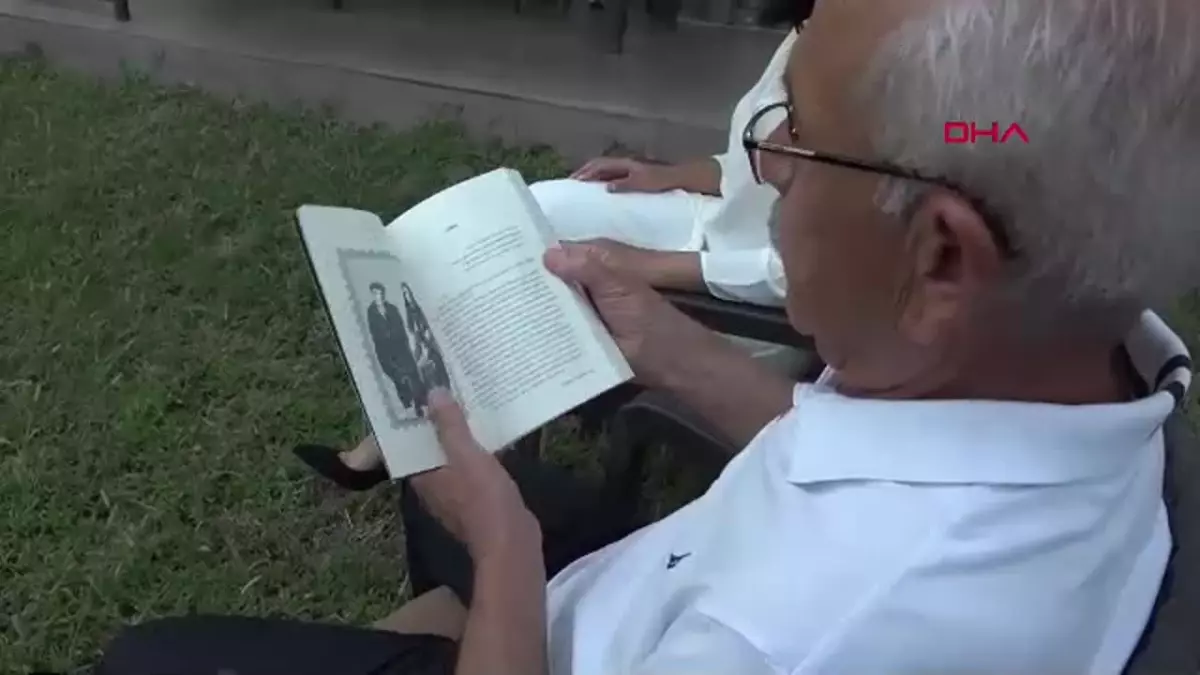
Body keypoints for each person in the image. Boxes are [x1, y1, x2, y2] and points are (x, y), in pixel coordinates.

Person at [94, 0, 1199, 673]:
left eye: (798, 137)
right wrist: (661, 342)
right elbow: (865, 465)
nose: (762, 165)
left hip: (557, 634)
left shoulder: (805, 637)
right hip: (637, 581)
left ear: (943, 258)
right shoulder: (1080, 379)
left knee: (151, 657)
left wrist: (505, 553)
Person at [289, 0, 813, 491]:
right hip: (708, 221)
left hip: (754, 296)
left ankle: (456, 444)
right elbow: (753, 167)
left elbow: (802, 273)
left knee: (531, 275)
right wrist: (671, 174)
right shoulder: (811, 26)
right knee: (521, 214)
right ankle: (409, 426)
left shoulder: (857, 72)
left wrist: (648, 266)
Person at [366, 281, 420, 414]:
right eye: (374, 293)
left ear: (383, 294)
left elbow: (400, 326)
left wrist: (402, 340)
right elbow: (374, 332)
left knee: (411, 373)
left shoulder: (392, 308)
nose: (377, 296)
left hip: (400, 346)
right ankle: (407, 403)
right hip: (385, 350)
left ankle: (419, 401)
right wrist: (385, 339)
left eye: (379, 293)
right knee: (397, 377)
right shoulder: (371, 312)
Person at [403, 282, 451, 398]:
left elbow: (427, 326)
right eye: (405, 295)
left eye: (408, 293)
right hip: (421, 346)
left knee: (438, 364)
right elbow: (412, 332)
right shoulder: (409, 317)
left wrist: (427, 335)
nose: (407, 297)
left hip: (429, 343)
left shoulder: (420, 311)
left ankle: (446, 388)